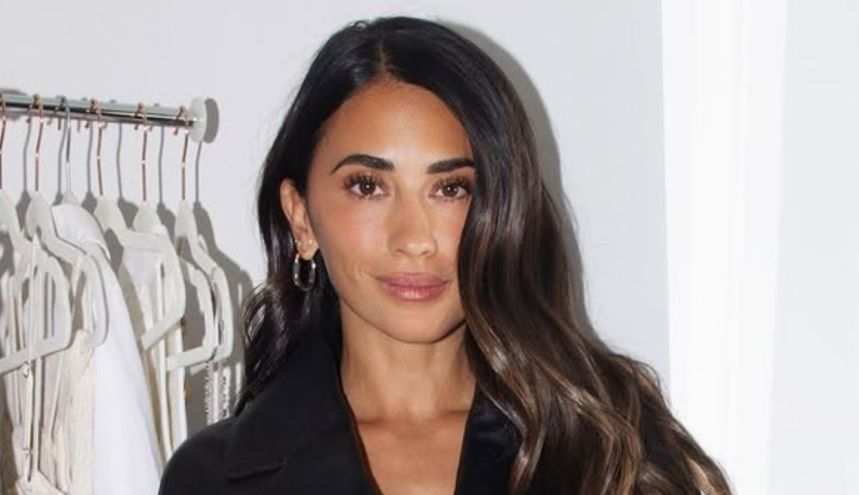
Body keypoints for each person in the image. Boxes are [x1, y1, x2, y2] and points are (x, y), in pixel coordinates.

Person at [158, 15, 732, 495]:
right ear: (301, 216)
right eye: (368, 186)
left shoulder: (609, 447)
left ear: (500, 210)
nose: (415, 237)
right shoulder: (214, 480)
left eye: (451, 188)